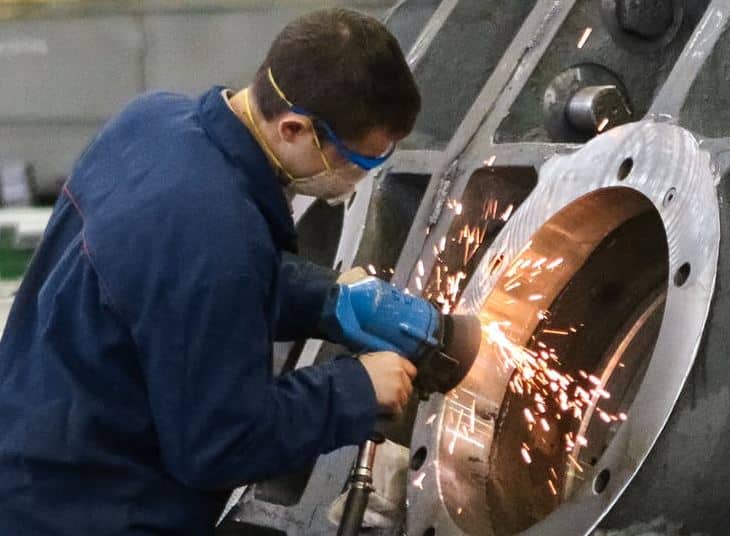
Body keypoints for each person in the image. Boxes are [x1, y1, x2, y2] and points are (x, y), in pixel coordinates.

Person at [0, 8, 421, 534]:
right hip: (90, 507)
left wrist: (326, 300)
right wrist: (354, 389)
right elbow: (220, 442)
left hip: (33, 446)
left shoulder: (153, 121)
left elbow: (172, 282)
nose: (354, 181)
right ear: (294, 128)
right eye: (360, 163)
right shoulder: (216, 233)